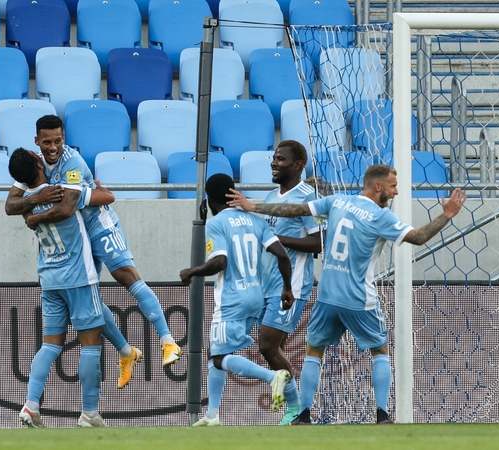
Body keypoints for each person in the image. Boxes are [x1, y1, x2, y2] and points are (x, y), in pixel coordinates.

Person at [228, 164, 468, 424]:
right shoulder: (381, 217)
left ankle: (303, 415)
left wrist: (254, 207)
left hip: (327, 296)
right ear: (378, 186)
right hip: (358, 298)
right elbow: (419, 237)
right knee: (380, 350)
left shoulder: (337, 202)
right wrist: (448, 215)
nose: (396, 192)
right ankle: (382, 415)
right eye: (393, 186)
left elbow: (293, 210)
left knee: (313, 352)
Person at [4, 115, 181, 375]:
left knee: (125, 275)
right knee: (92, 299)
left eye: (58, 140)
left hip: (99, 225)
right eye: (47, 142)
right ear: (37, 142)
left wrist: (34, 217)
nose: (53, 147)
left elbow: (68, 208)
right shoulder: (35, 163)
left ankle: (168, 341)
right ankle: (126, 353)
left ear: (64, 138)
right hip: (77, 235)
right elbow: (9, 205)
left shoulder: (71, 162)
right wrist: (39, 197)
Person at [180, 173, 293, 427]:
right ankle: (212, 415)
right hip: (257, 296)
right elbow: (282, 256)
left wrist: (193, 271)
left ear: (209, 199)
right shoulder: (256, 219)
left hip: (232, 298)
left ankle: (271, 377)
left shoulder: (217, 223)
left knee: (218, 357)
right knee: (215, 353)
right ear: (233, 193)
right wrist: (287, 287)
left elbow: (220, 262)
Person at [9, 148, 111, 427]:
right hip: (78, 276)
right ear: (38, 162)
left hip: (50, 279)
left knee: (49, 346)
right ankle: (90, 413)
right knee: (91, 345)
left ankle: (30, 406)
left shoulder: (26, 202)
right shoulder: (61, 191)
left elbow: (12, 205)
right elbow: (75, 205)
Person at [258, 140, 324, 425]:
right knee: (270, 348)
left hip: (291, 286)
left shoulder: (308, 198)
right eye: (273, 158)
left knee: (267, 346)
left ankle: (297, 409)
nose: (274, 162)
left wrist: (277, 240)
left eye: (281, 159)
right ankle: (293, 407)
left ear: (298, 165)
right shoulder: (273, 197)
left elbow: (318, 242)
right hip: (264, 284)